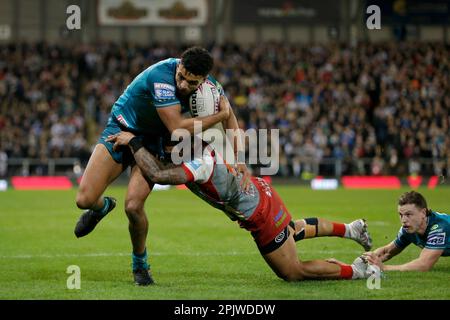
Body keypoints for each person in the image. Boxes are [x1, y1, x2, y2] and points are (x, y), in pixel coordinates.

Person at [74, 46, 250, 286]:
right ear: (179, 66)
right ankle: (103, 207)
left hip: (154, 143)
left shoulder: (211, 87)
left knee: (134, 207)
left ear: (203, 79)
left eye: (191, 82)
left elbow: (230, 117)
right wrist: (218, 117)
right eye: (181, 77)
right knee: (84, 200)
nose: (183, 85)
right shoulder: (161, 77)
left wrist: (239, 158)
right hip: (122, 127)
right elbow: (178, 127)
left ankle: (140, 264)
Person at [106, 131, 374, 282]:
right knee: (290, 231)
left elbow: (158, 175)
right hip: (261, 193)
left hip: (259, 214)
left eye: (166, 145)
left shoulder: (198, 162)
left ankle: (357, 271)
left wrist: (134, 143)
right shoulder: (197, 147)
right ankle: (351, 229)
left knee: (293, 271)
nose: (163, 149)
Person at [363, 191, 449, 272]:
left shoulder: (439, 228)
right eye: (401, 215)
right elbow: (387, 252)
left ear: (423, 213)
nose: (403, 220)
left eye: (408, 214)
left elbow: (424, 265)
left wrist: (384, 268)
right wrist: (368, 259)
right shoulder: (408, 229)